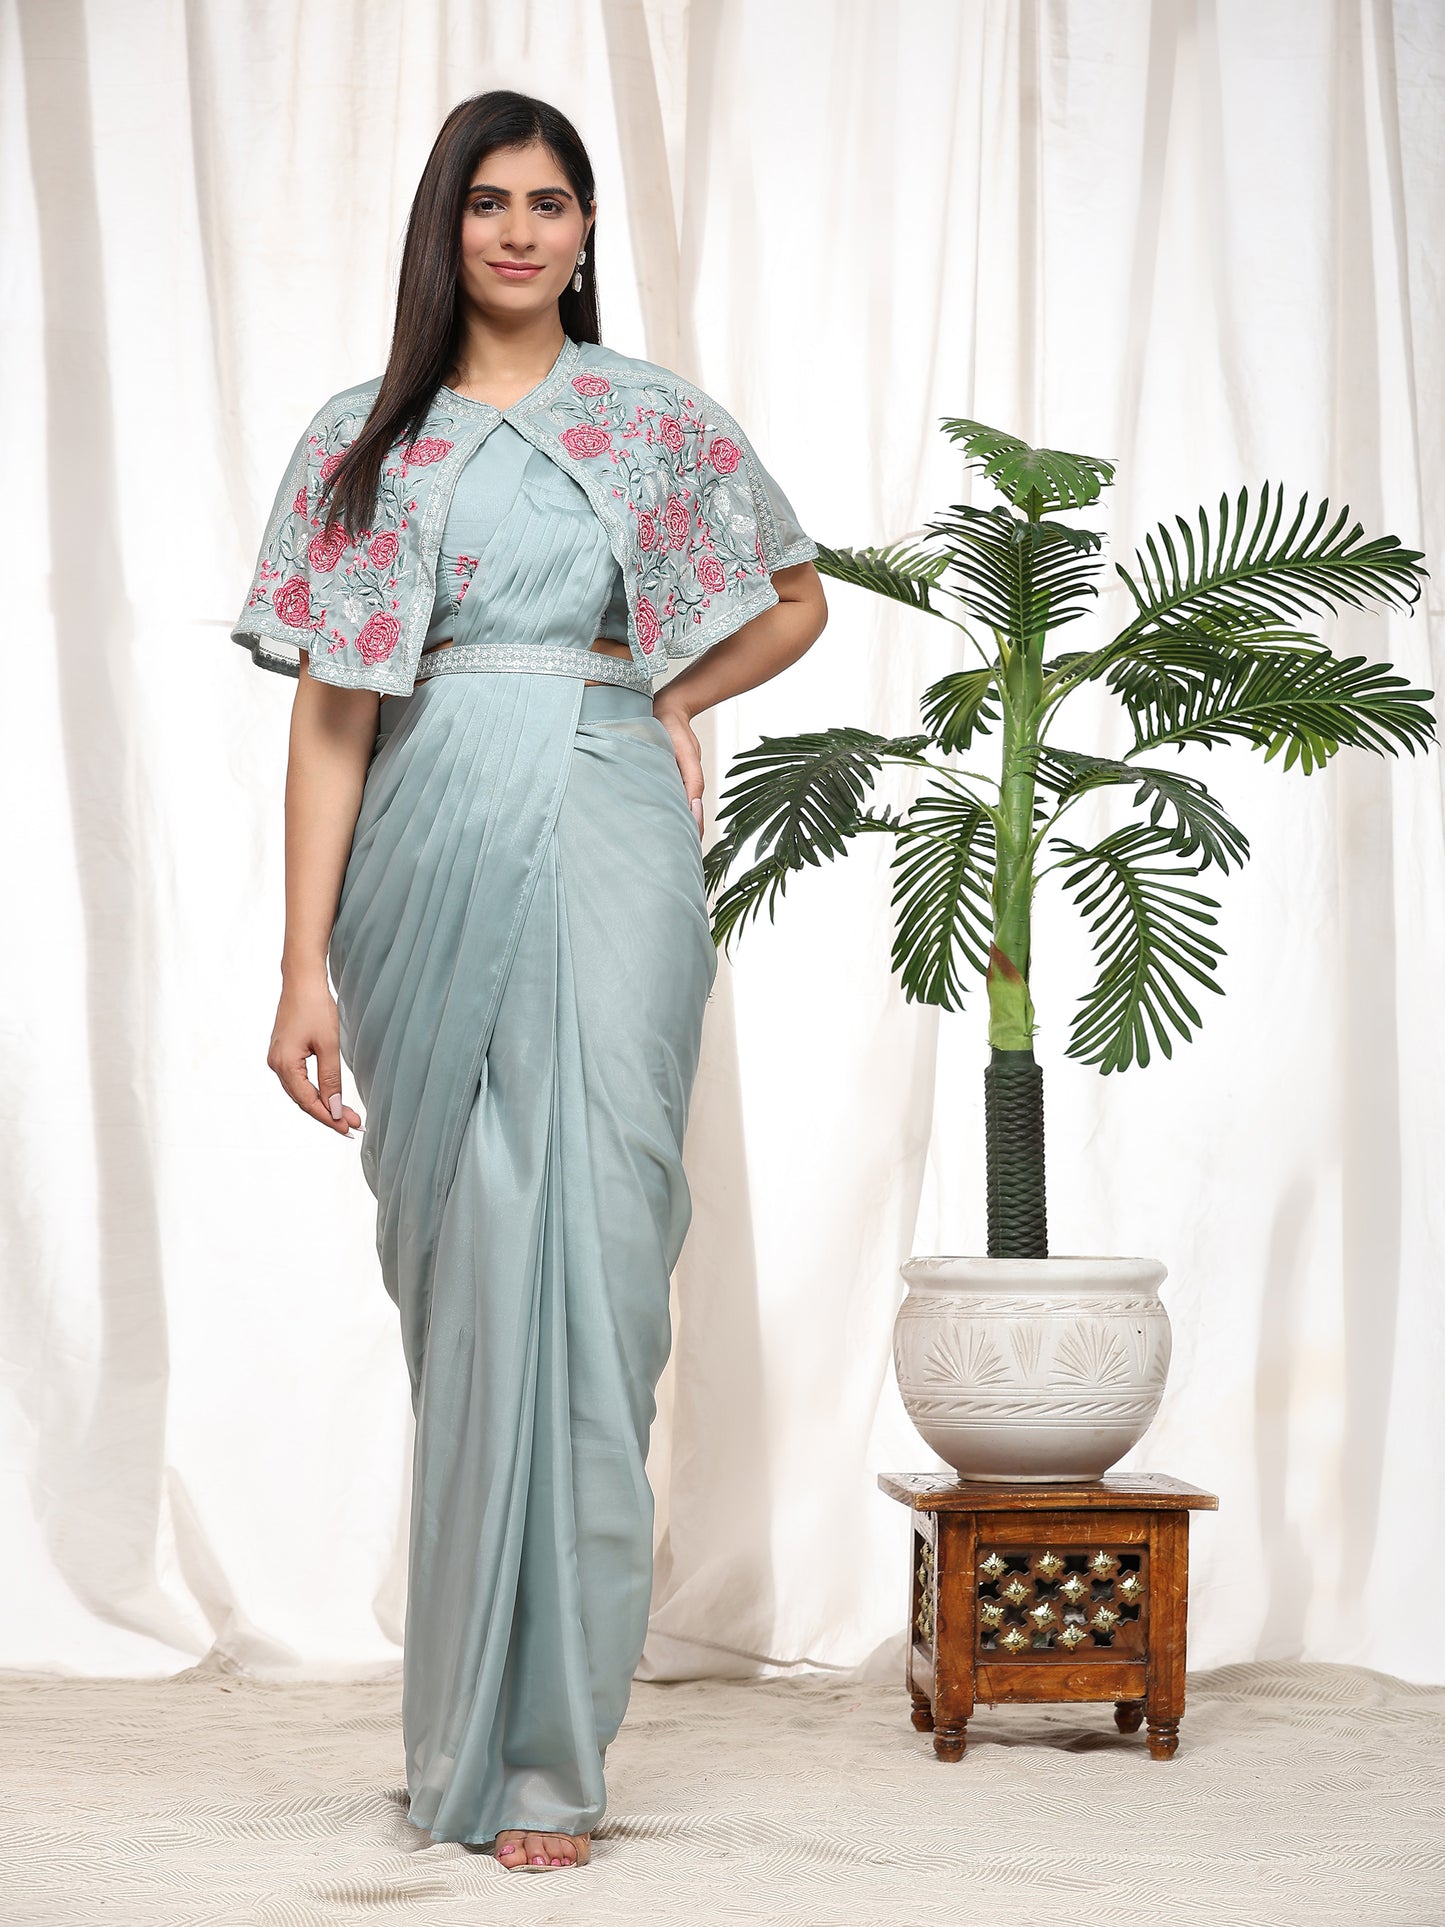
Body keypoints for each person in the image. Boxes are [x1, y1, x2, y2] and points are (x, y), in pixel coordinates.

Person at [236, 91, 827, 1872]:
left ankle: (553, 1758)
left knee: (597, 1254)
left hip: (608, 830)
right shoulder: (365, 440)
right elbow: (331, 722)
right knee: (477, 1279)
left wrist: (662, 693)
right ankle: (465, 1744)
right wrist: (299, 968)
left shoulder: (652, 422)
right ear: (445, 227)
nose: (516, 231)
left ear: (584, 231)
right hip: (424, 852)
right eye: (485, 203)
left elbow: (792, 599)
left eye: (548, 203)